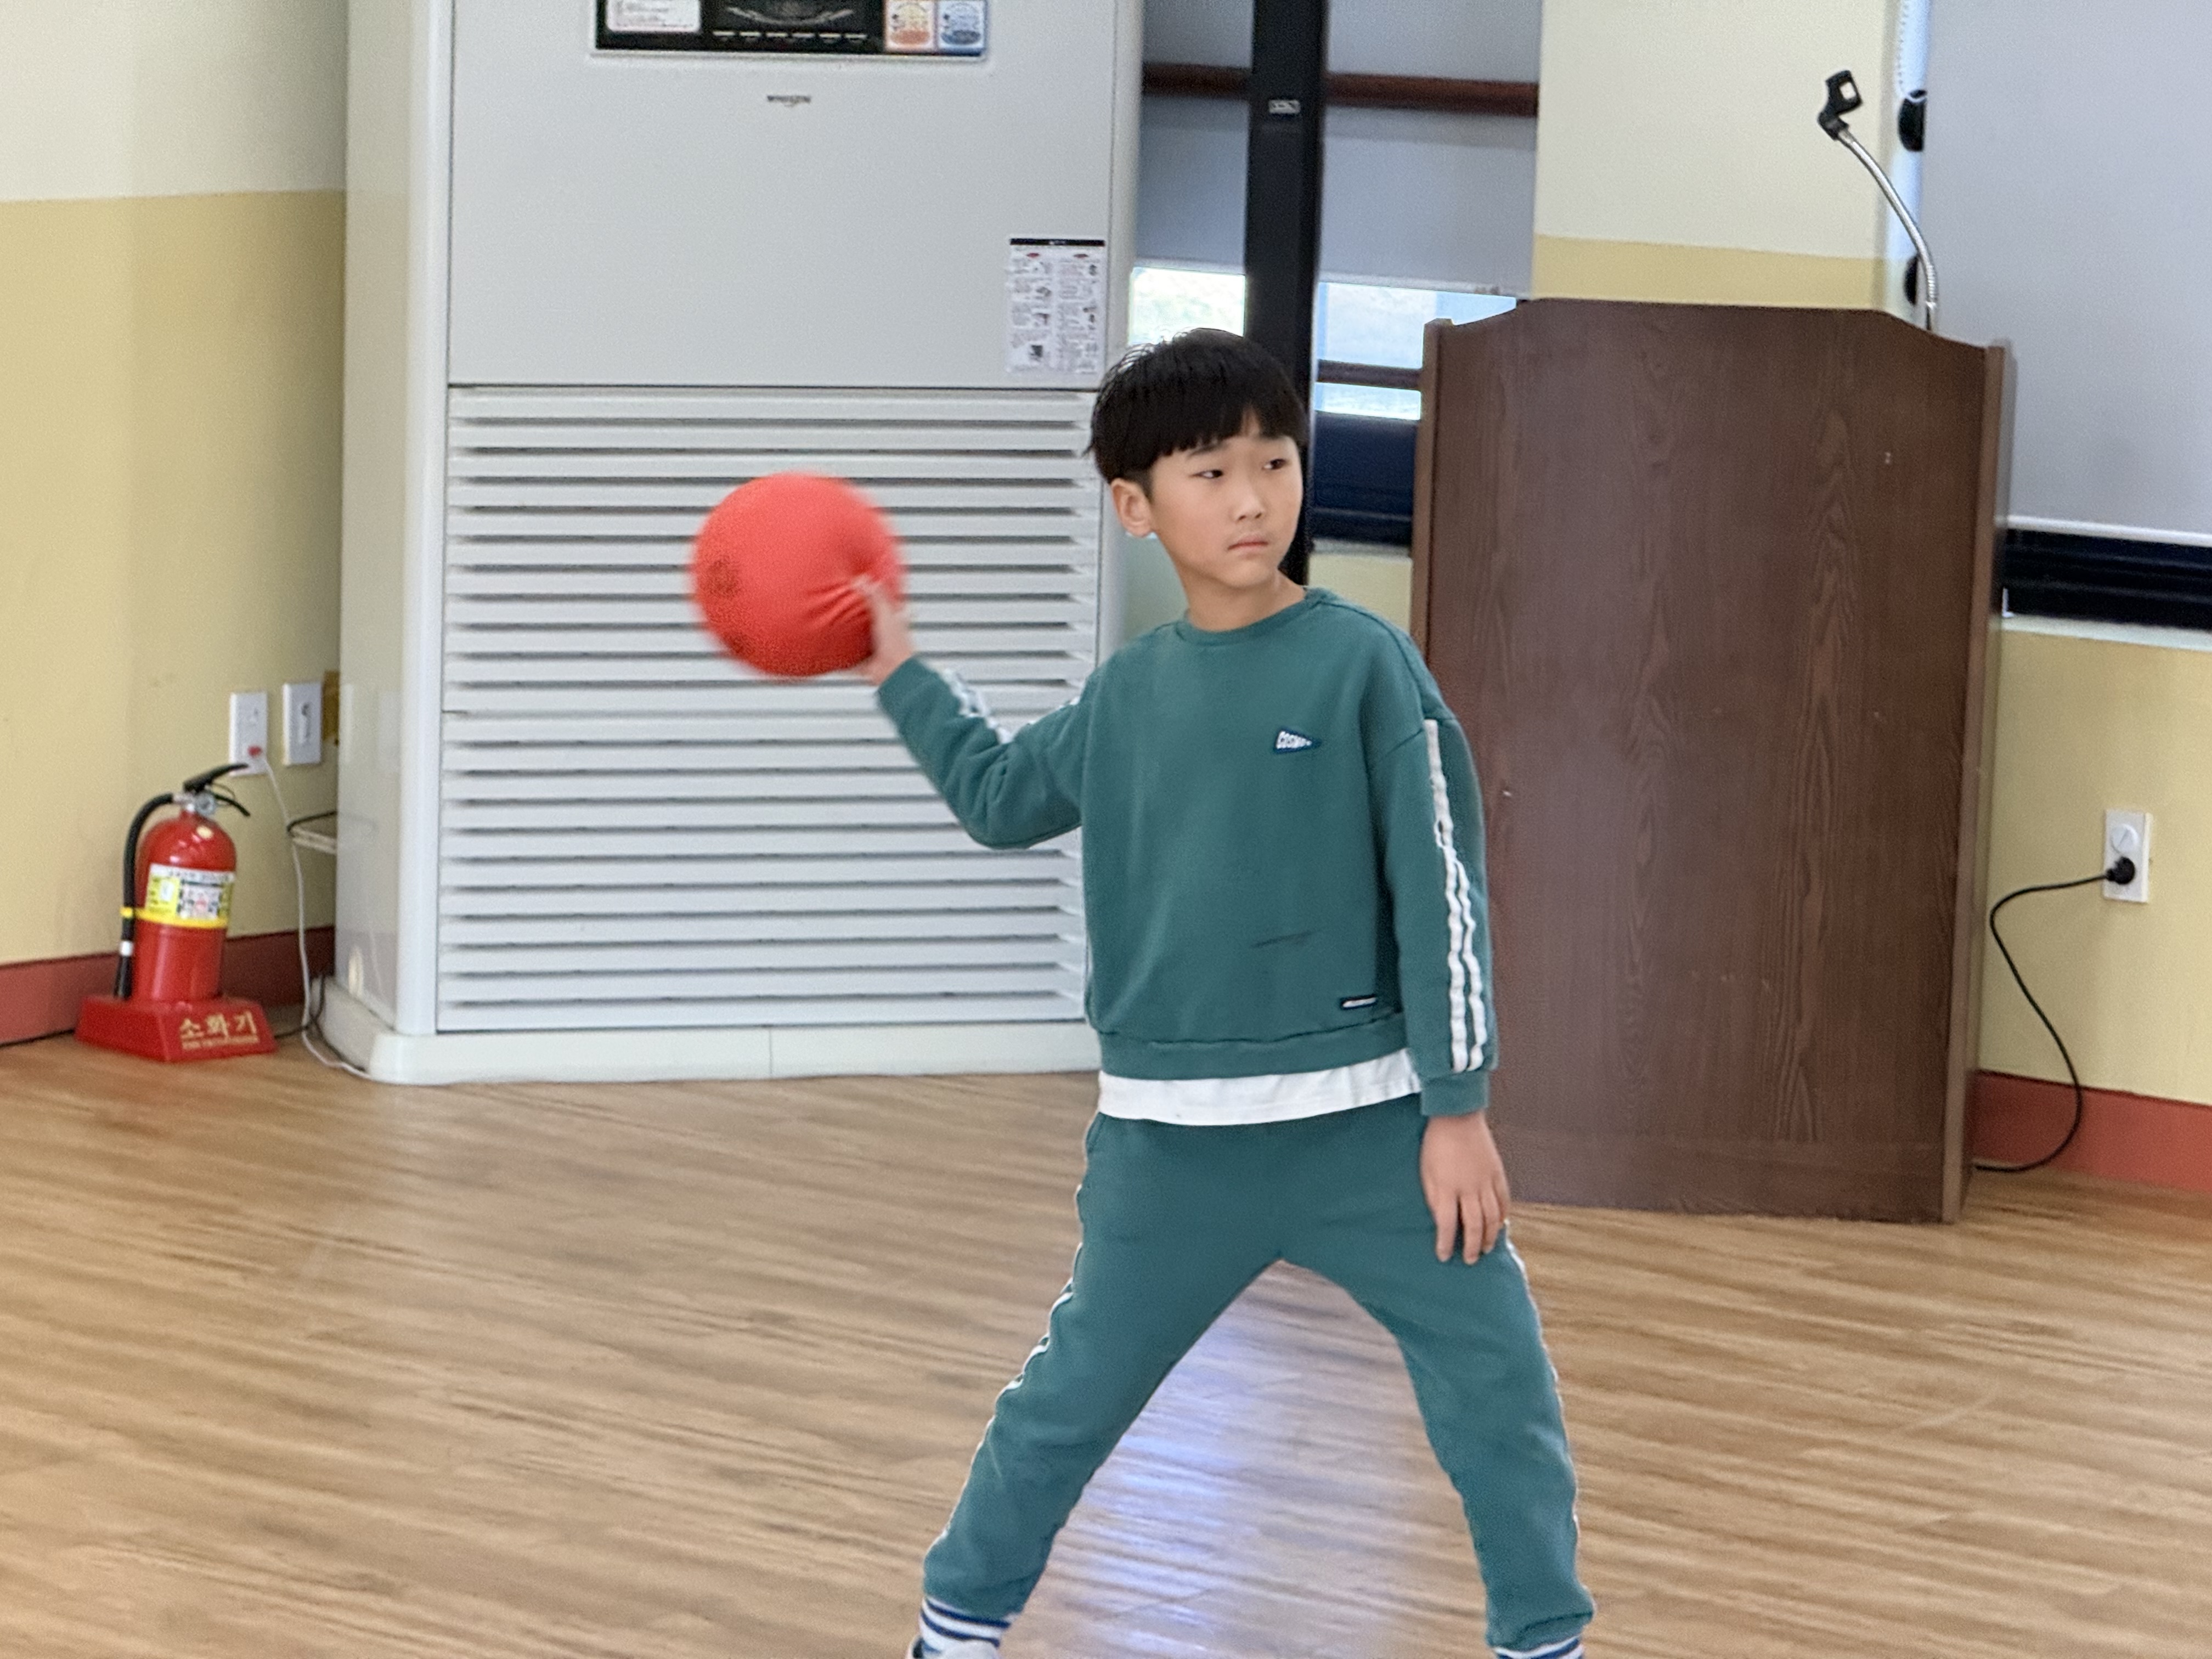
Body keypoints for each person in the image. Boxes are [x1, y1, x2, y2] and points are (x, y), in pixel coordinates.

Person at [856, 328, 1593, 1659]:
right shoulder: (1128, 693)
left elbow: (1444, 887)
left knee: (1501, 1391)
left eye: (1275, 461)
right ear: (1135, 506)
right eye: (1210, 472)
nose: (1253, 498)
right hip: (1169, 1150)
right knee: (1065, 1407)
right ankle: (957, 1626)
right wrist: (899, 672)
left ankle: (1542, 1639)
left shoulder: (1365, 666)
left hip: (1376, 1137)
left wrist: (1458, 1106)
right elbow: (999, 799)